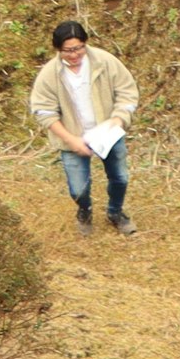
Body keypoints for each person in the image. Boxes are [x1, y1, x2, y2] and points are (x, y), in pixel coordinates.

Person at [27, 19, 135, 234]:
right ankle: (84, 210)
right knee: (78, 188)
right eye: (68, 51)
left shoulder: (105, 62)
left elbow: (127, 91)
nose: (74, 55)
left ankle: (115, 212)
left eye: (79, 48)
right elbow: (43, 111)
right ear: (58, 50)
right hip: (73, 137)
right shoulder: (49, 75)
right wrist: (71, 140)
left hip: (108, 133)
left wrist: (119, 118)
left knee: (120, 178)